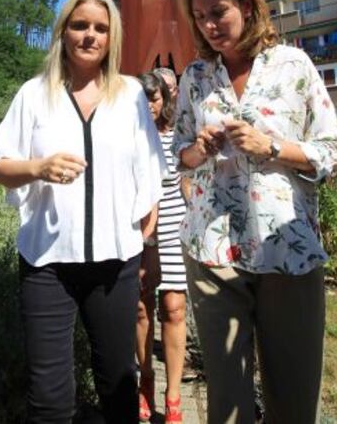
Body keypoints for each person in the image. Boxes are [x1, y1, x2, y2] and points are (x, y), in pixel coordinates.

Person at [172, 0, 337, 424]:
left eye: (218, 11)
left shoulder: (294, 66)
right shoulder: (195, 77)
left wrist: (272, 146)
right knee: (227, 404)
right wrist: (200, 149)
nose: (209, 25)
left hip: (286, 250)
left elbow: (333, 152)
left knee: (293, 396)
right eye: (200, 16)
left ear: (247, 6)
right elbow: (180, 155)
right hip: (212, 250)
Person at [0, 0, 165, 424]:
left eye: (100, 28)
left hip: (115, 264)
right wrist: (37, 167)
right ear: (63, 31)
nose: (90, 35)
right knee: (49, 396)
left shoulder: (130, 96)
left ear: (112, 37)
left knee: (118, 381)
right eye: (80, 25)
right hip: (47, 264)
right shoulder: (33, 94)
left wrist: (145, 236)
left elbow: (151, 168)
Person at [137, 71, 187, 424]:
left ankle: (172, 396)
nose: (151, 104)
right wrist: (144, 241)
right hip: (138, 235)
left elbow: (187, 184)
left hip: (173, 232)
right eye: (144, 99)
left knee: (173, 308)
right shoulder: (129, 137)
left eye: (155, 97)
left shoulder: (175, 137)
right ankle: (145, 381)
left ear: (164, 99)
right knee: (140, 312)